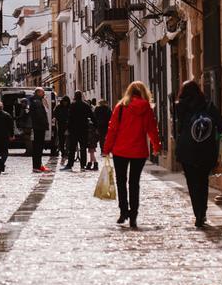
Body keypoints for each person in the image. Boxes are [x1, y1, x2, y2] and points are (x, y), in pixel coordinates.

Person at [103, 81, 161, 229]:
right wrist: (156, 145)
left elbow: (113, 129)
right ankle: (133, 215)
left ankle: (123, 212)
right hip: (138, 151)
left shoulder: (120, 107)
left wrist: (107, 148)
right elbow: (152, 128)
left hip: (120, 150)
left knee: (121, 182)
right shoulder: (146, 107)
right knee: (134, 183)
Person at [174, 80, 222, 228]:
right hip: (206, 150)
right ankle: (202, 213)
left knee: (192, 184)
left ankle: (197, 214)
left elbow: (179, 129)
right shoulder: (208, 106)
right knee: (203, 182)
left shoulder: (180, 107)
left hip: (187, 151)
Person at [62, 91, 94, 171]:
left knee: (72, 148)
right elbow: (92, 116)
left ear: (75, 96)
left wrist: (68, 128)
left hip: (74, 130)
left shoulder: (72, 105)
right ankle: (83, 165)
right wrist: (95, 126)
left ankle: (70, 164)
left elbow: (70, 118)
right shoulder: (86, 105)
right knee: (83, 148)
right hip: (83, 129)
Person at [29, 87, 50, 172]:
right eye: (42, 92)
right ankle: (36, 166)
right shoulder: (36, 102)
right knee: (38, 147)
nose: (44, 94)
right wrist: (44, 124)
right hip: (39, 127)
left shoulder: (38, 101)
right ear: (38, 93)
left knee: (39, 147)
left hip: (39, 126)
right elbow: (40, 115)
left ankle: (39, 165)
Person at [53, 95, 71, 161]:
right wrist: (59, 119)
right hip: (61, 125)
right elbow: (55, 114)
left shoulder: (70, 107)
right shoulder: (58, 107)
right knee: (61, 140)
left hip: (68, 125)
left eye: (66, 102)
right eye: (64, 101)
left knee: (68, 140)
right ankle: (63, 152)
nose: (65, 103)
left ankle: (67, 151)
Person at [85, 100, 100, 170]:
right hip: (92, 139)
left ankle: (95, 163)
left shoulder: (89, 124)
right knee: (91, 152)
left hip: (91, 140)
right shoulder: (93, 123)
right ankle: (90, 163)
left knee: (91, 152)